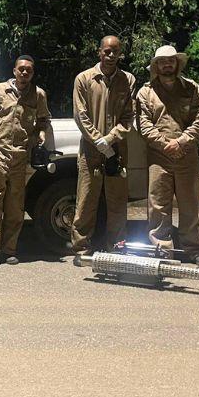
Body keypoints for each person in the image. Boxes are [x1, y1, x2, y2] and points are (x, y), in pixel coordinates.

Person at [136, 45, 199, 268]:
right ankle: (162, 251)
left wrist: (181, 142)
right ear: (156, 65)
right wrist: (165, 145)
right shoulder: (145, 93)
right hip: (158, 157)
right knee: (158, 206)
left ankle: (194, 250)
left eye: (171, 60)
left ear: (177, 63)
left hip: (187, 155)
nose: (167, 64)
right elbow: (144, 125)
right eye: (162, 61)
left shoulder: (192, 88)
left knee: (190, 206)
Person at [0, 55, 51, 269]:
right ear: (14, 71)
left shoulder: (38, 94)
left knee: (15, 206)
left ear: (32, 73)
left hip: (20, 157)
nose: (24, 72)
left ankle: (10, 249)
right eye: (21, 69)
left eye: (29, 70)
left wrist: (40, 133)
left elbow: (43, 120)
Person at [71, 36, 136, 266]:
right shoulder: (84, 79)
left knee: (117, 201)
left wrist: (110, 138)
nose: (110, 55)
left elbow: (129, 116)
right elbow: (80, 114)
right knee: (86, 199)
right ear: (99, 52)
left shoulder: (128, 80)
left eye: (115, 51)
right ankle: (81, 247)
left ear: (120, 54)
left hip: (117, 150)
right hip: (90, 150)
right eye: (107, 51)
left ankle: (116, 247)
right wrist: (97, 139)